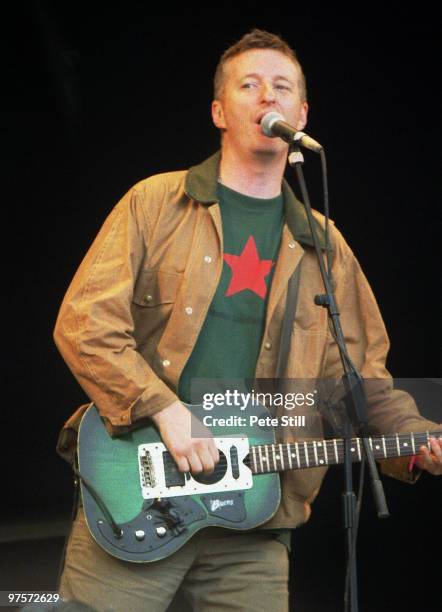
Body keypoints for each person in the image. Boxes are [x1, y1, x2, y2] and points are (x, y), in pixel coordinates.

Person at [54, 29, 442, 612]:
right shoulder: (155, 204)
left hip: (257, 519)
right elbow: (85, 325)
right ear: (219, 110)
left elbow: (358, 379)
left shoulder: (325, 245)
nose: (268, 97)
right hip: (138, 497)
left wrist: (419, 442)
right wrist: (164, 409)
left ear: (301, 113)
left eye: (282, 87)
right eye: (250, 85)